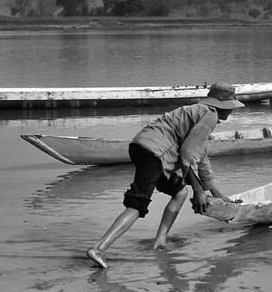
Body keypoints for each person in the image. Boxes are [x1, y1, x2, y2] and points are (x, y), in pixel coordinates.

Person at [86, 81, 243, 268]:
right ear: (221, 105)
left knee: (180, 192)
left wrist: (214, 191)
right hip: (155, 153)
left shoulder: (198, 111)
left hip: (141, 147)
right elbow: (187, 153)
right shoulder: (209, 115)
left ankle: (159, 241)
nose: (231, 111)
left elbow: (201, 155)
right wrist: (199, 191)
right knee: (137, 205)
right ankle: (98, 249)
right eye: (230, 107)